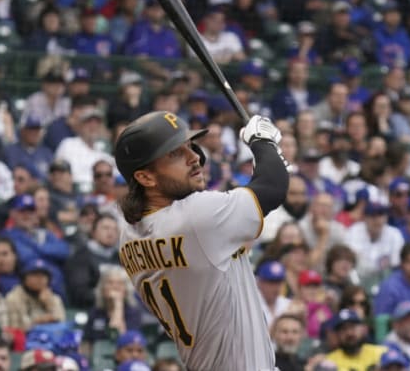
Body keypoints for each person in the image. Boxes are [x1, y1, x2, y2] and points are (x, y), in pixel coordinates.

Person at [114, 111, 288, 370]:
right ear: (145, 177)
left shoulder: (129, 234)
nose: (194, 157)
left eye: (190, 147)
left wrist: (271, 161)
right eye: (175, 153)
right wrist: (263, 143)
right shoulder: (195, 217)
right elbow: (273, 187)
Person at [65, 214, 120, 308]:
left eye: (115, 229)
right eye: (105, 228)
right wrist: (108, 296)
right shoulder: (81, 257)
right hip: (93, 311)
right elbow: (79, 293)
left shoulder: (120, 257)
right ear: (93, 232)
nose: (111, 233)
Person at [81, 266, 143, 348]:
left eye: (120, 283)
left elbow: (117, 336)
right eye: (110, 283)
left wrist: (118, 304)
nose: (115, 287)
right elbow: (86, 342)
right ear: (102, 289)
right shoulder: (95, 312)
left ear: (126, 290)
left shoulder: (133, 312)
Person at [344, 201, 404, 280]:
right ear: (364, 218)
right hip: (358, 279)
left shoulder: (394, 234)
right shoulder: (353, 232)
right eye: (373, 216)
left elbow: (396, 264)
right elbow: (347, 261)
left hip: (384, 280)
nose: (377, 220)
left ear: (386, 218)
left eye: (381, 215)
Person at [4, 258, 66, 331]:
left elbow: (62, 325)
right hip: (25, 340)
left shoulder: (54, 298)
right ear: (24, 278)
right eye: (35, 275)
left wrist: (49, 304)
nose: (40, 279)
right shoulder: (13, 298)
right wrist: (36, 322)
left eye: (43, 275)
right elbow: (13, 329)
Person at [256, 260, 292, 328]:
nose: (276, 287)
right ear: (259, 282)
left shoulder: (288, 304)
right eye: (271, 282)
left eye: (279, 282)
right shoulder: (251, 304)